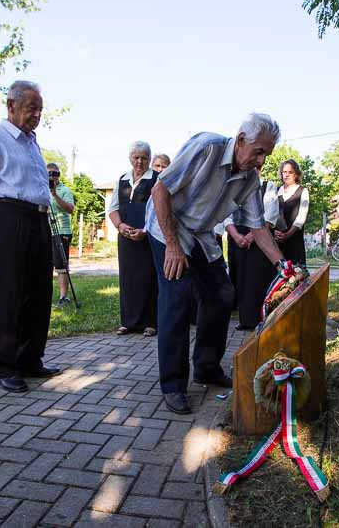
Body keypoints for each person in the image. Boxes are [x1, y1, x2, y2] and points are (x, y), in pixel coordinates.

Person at [145, 113, 291, 414]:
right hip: (167, 225)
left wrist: (284, 267)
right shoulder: (207, 147)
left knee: (222, 294)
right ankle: (172, 384)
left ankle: (206, 367)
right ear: (241, 140)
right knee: (177, 297)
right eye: (258, 152)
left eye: (267, 154)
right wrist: (172, 245)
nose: (261, 161)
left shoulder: (250, 179)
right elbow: (159, 190)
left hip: (200, 233)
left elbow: (258, 227)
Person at [0, 80, 61, 393]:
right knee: (11, 295)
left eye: (40, 110)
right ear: (11, 105)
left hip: (39, 220)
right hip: (10, 218)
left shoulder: (32, 143)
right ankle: (6, 366)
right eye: (31, 108)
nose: (37, 115)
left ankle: (30, 359)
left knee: (40, 292)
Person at [108, 142, 159, 337]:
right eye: (136, 157)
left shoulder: (156, 179)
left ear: (149, 159)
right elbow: (113, 208)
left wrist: (145, 231)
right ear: (130, 158)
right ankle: (128, 322)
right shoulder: (122, 179)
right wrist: (120, 226)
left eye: (144, 158)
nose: (139, 161)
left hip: (149, 237)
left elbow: (160, 210)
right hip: (126, 237)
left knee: (148, 278)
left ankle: (150, 323)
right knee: (128, 278)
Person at [225, 177, 280, 330]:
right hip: (237, 237)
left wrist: (251, 236)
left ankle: (262, 319)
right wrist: (236, 236)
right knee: (241, 279)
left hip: (260, 237)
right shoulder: (233, 186)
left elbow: (270, 216)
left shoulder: (268, 187)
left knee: (258, 279)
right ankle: (246, 319)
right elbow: (226, 215)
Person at [47, 163, 75, 307]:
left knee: (61, 264)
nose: (52, 176)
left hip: (62, 231)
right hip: (45, 230)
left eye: (55, 173)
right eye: (49, 174)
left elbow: (70, 209)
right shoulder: (41, 189)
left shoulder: (65, 190)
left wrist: (54, 194)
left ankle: (64, 297)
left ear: (59, 175)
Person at [275, 159, 310, 266]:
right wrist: (273, 232)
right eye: (284, 172)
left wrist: (287, 234)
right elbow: (269, 215)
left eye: (290, 172)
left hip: (294, 241)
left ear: (296, 174)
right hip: (276, 242)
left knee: (296, 272)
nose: (286, 175)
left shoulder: (302, 191)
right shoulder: (275, 191)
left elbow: (301, 218)